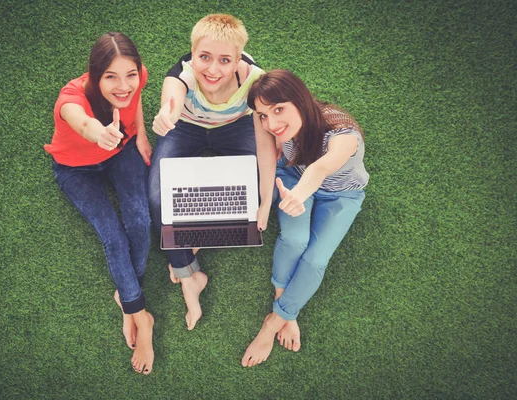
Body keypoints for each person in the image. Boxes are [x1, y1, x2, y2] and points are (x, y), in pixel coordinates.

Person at [241, 70, 369, 367]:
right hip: (293, 178)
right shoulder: (264, 121)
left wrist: (299, 195)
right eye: (262, 115)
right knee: (295, 240)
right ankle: (284, 304)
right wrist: (264, 203)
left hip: (341, 196)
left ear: (299, 100)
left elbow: (321, 169)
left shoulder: (343, 133)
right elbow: (266, 153)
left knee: (315, 260)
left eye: (278, 110)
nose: (271, 124)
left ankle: (273, 322)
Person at [44, 33, 154, 374]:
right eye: (111, 76)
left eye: (130, 74)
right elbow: (79, 119)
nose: (124, 86)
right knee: (114, 237)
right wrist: (97, 133)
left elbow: (136, 104)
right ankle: (142, 318)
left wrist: (143, 137)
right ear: (94, 75)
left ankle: (127, 300)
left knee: (141, 222)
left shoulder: (139, 77)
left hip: (122, 152)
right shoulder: (71, 96)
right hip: (76, 170)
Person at [149, 14, 265, 330]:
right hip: (186, 126)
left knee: (254, 191)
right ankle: (190, 276)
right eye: (204, 58)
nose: (212, 69)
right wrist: (165, 116)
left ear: (238, 60)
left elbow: (267, 127)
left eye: (224, 60)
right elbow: (171, 102)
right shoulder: (181, 75)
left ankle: (190, 241)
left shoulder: (255, 79)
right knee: (158, 197)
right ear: (193, 53)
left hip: (234, 126)